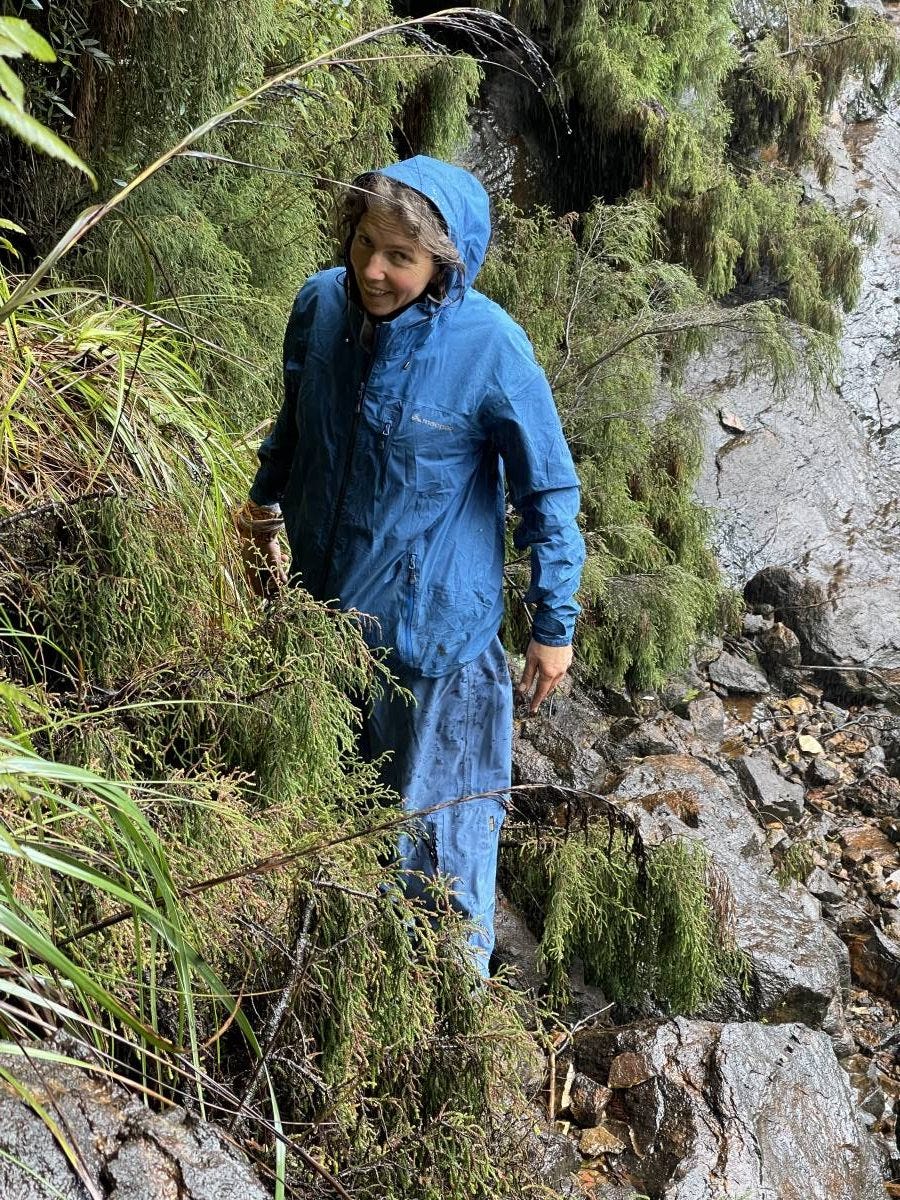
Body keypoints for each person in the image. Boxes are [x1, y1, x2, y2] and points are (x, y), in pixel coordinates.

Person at [238, 156, 584, 976]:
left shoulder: (489, 347)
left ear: (444, 265)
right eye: (365, 243)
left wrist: (553, 625)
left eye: (401, 256)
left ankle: (451, 1020)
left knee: (440, 856)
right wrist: (263, 503)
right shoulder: (320, 307)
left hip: (437, 656)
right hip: (326, 628)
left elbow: (551, 492)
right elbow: (297, 423)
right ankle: (335, 981)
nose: (373, 270)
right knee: (337, 822)